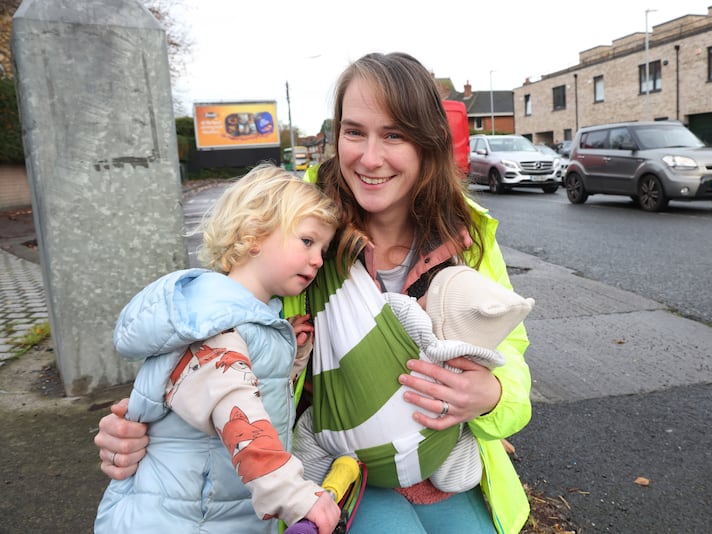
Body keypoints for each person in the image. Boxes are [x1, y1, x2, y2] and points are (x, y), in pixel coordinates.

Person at [95, 51, 533, 533]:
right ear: (335, 134)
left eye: (394, 135)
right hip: (327, 470)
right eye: (354, 132)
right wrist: (142, 426)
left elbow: (510, 355)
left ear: (427, 143)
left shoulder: (465, 232)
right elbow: (208, 326)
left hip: (445, 465)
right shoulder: (295, 225)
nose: (369, 158)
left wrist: (491, 395)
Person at [94, 164, 341, 534]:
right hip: (181, 520)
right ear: (255, 233)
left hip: (209, 511)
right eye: (308, 241)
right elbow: (236, 411)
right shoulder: (216, 323)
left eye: (322, 248)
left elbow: (244, 387)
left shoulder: (250, 319)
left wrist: (290, 359)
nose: (318, 259)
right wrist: (297, 497)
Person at [292, 264, 535, 494]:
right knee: (458, 438)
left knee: (312, 428)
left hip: (349, 442)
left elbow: (388, 308)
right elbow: (502, 354)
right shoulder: (477, 357)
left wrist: (494, 396)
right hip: (429, 453)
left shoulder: (415, 316)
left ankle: (310, 490)